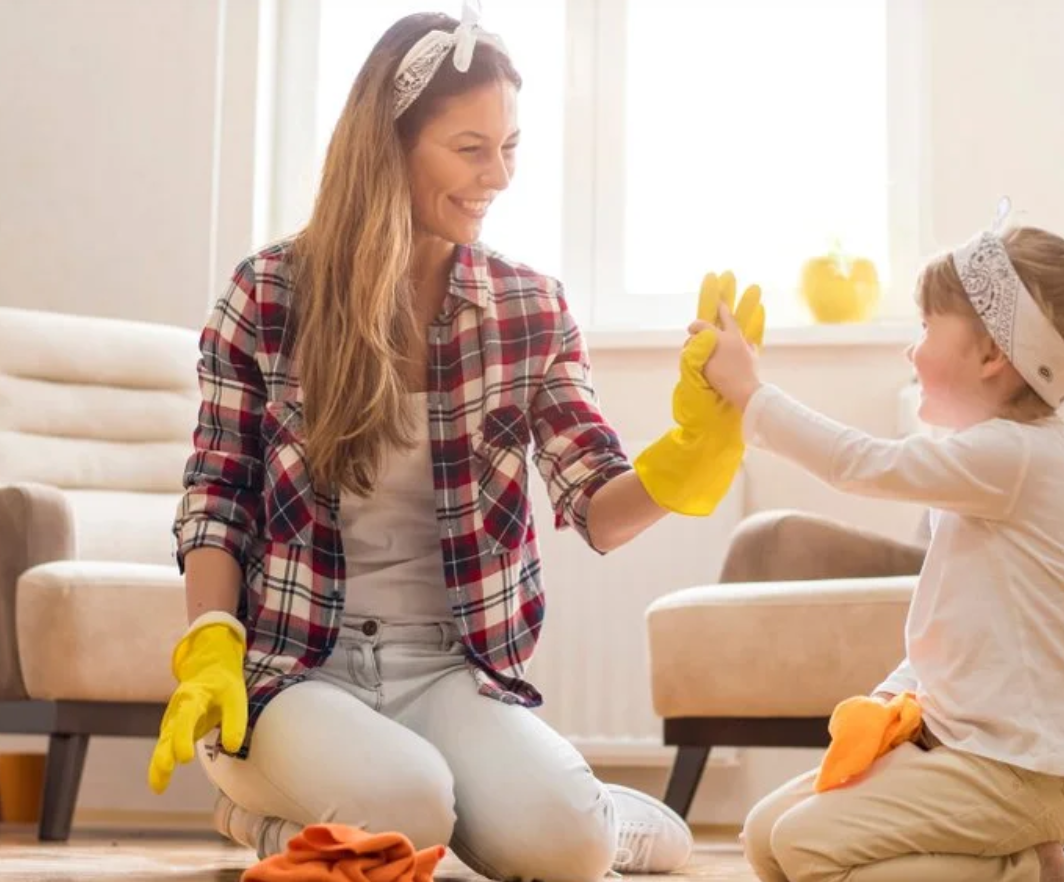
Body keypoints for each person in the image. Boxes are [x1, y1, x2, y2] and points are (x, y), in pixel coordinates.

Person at [145, 7, 763, 881]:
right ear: (388, 145)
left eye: (511, 147)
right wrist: (210, 641)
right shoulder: (270, 293)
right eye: (470, 148)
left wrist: (696, 446)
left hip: (447, 671)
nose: (498, 176)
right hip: (293, 668)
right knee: (409, 805)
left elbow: (600, 506)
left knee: (568, 850)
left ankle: (573, 818)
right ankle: (263, 814)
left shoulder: (528, 309)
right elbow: (217, 494)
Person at [697, 205, 1064, 881]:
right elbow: (957, 626)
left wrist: (751, 395)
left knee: (806, 848)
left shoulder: (1016, 456)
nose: (910, 350)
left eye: (924, 328)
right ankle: (1023, 862)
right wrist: (895, 698)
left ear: (992, 354)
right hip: (964, 750)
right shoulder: (990, 467)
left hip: (1024, 771)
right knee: (767, 838)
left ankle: (1030, 875)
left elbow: (863, 463)